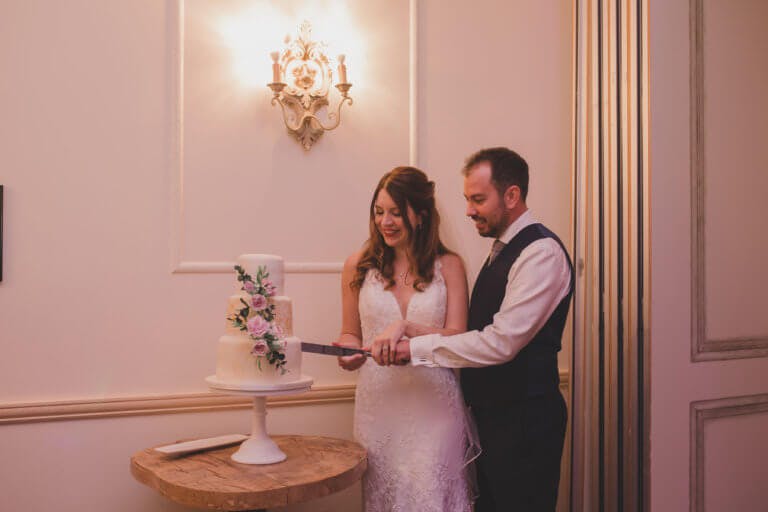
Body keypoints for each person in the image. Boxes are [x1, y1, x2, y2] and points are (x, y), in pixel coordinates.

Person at [372, 147, 574, 512]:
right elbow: (475, 330)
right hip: (492, 419)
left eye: (478, 199)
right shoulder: (501, 249)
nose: (467, 210)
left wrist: (414, 350)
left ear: (511, 195)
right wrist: (410, 328)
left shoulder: (541, 253)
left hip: (524, 422)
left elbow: (500, 343)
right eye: (467, 199)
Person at [335, 166, 478, 512]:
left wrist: (410, 333)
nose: (386, 221)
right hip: (379, 407)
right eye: (379, 212)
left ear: (421, 215)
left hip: (434, 408)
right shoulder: (357, 266)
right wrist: (348, 351)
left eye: (396, 213)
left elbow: (459, 338)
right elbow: (350, 332)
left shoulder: (450, 266)